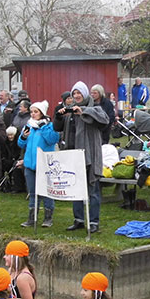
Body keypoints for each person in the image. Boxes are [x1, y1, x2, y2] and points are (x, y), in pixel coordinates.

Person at [53, 81, 108, 232]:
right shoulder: (70, 111)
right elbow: (57, 127)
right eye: (74, 93)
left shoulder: (94, 108)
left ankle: (94, 221)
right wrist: (59, 116)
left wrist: (82, 111)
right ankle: (79, 220)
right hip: (73, 155)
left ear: (85, 93)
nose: (76, 96)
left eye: (79, 93)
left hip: (90, 154)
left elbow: (104, 120)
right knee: (75, 189)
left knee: (93, 190)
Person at [17, 100, 58, 228]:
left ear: (42, 113)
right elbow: (21, 144)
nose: (33, 114)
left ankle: (48, 218)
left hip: (44, 164)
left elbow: (52, 140)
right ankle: (31, 218)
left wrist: (43, 127)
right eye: (32, 112)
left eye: (36, 112)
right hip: (30, 165)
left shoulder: (49, 126)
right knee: (33, 192)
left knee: (46, 192)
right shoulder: (28, 125)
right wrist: (23, 137)